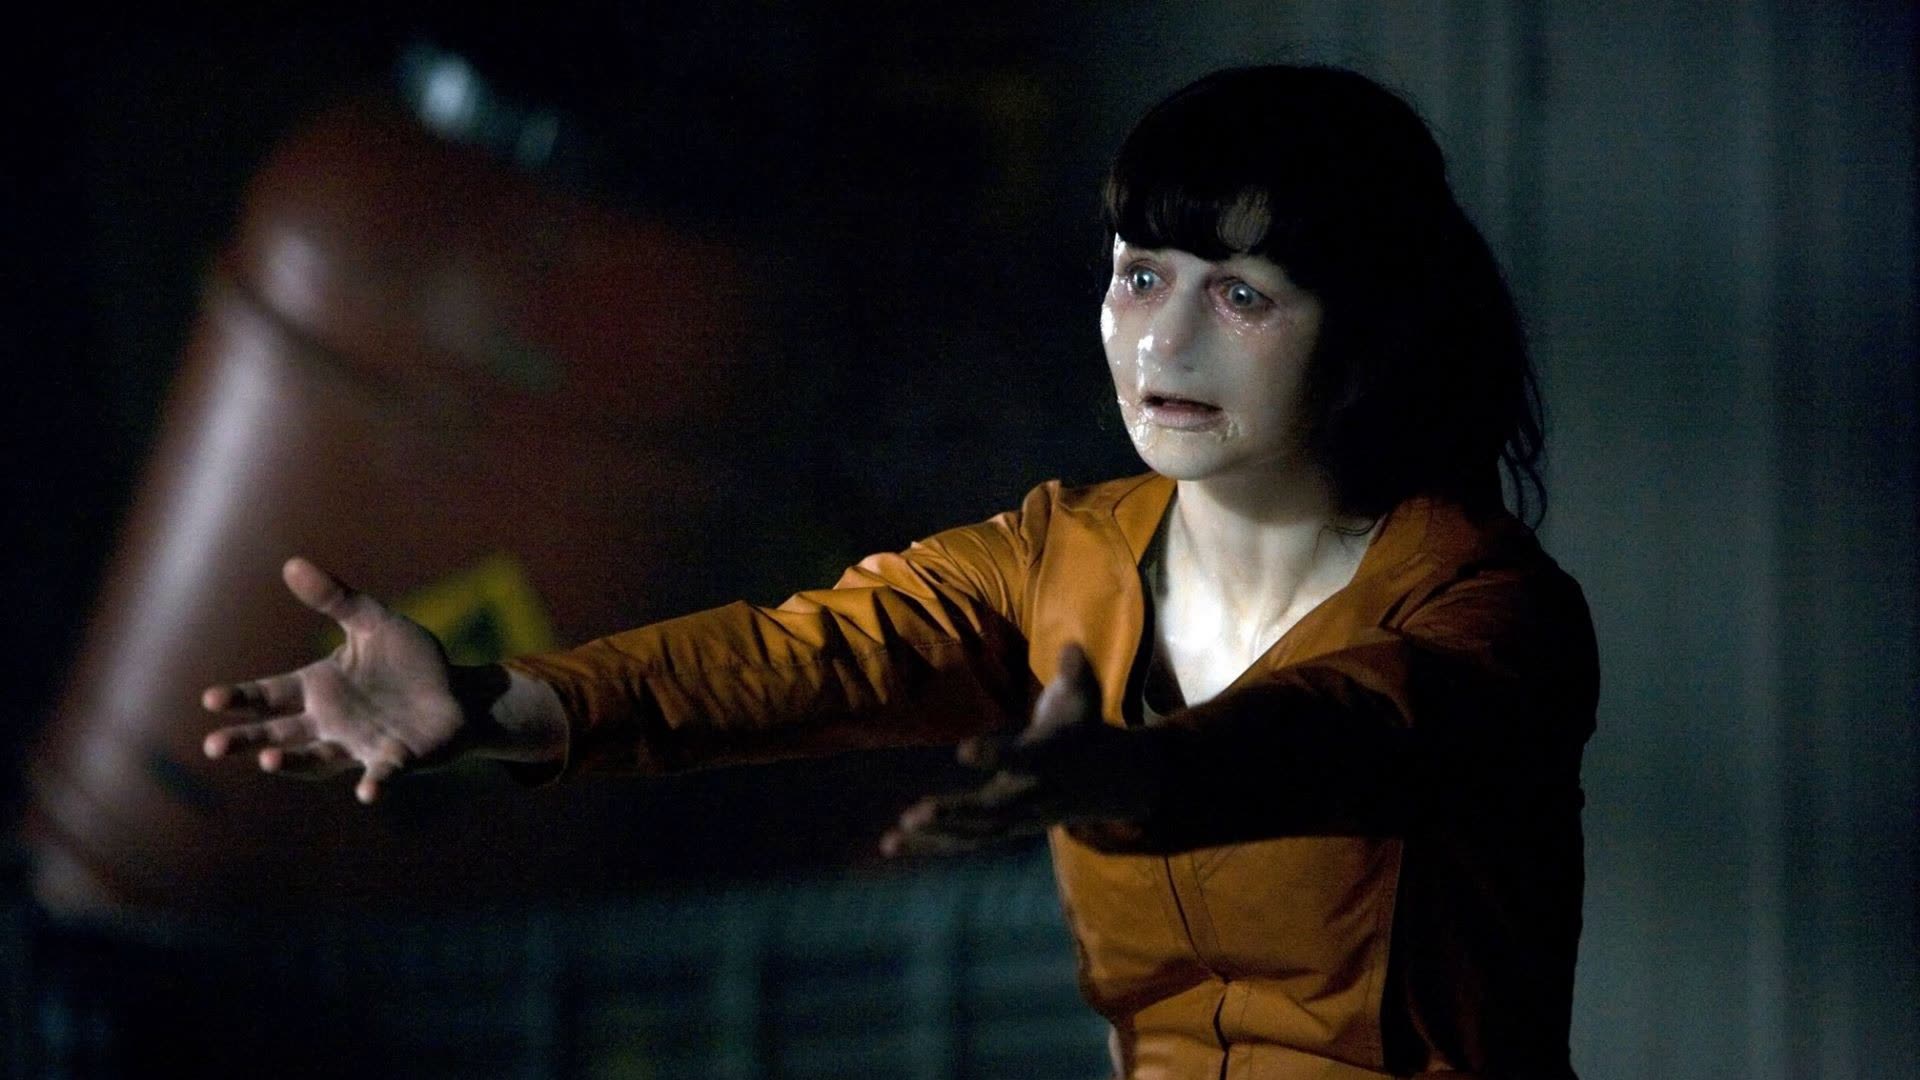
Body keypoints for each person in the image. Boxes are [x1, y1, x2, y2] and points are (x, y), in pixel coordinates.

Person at [202, 65, 1597, 1080]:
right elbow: (796, 658)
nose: (1164, 343)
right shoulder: (1064, 553)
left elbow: (1353, 729)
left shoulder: (1483, 606)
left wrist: (1136, 775)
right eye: (1140, 274)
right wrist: (498, 705)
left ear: (1365, 335)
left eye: (1239, 294)